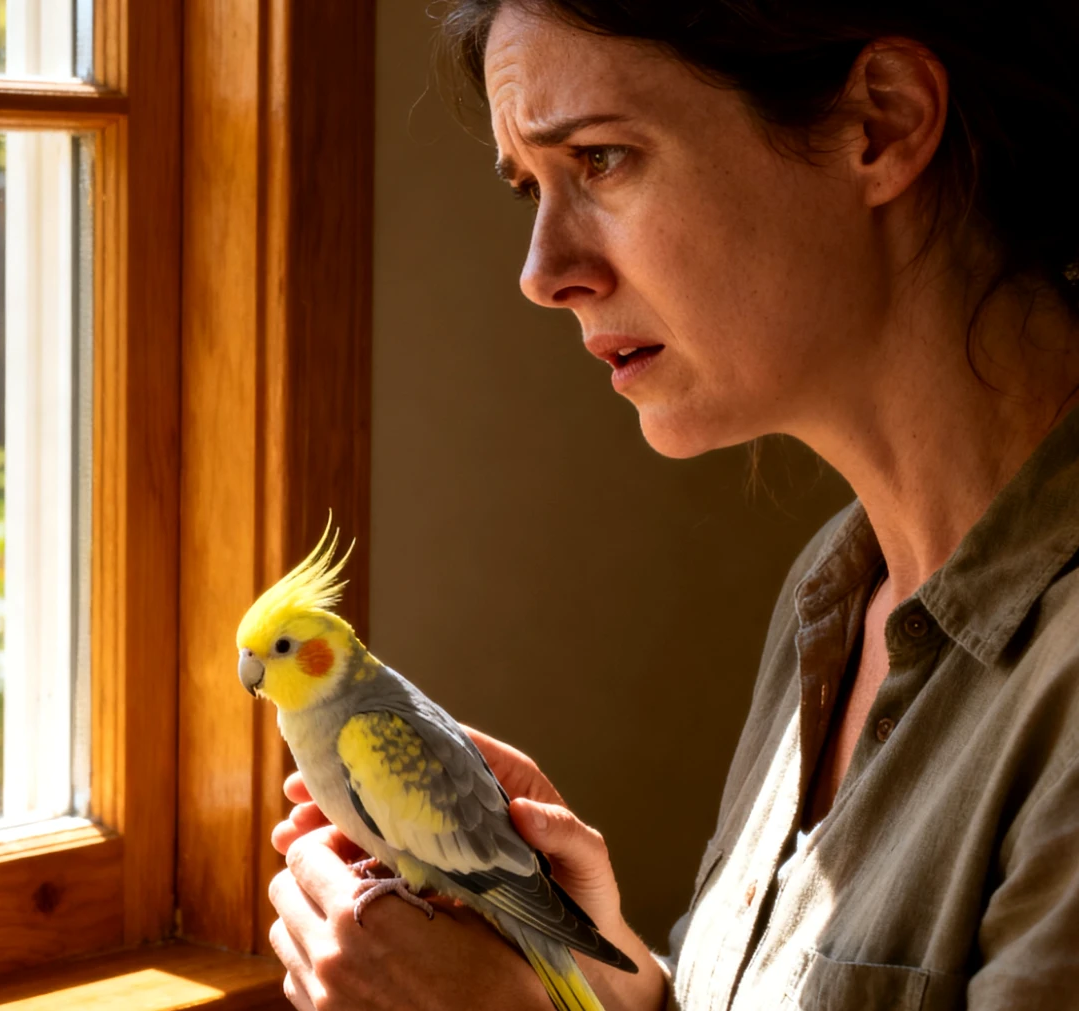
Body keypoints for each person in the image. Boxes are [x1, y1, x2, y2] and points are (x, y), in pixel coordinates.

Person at [265, 2, 1079, 1008]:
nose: (540, 274)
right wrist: (612, 983)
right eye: (529, 184)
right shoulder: (833, 598)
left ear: (883, 124)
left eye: (601, 160)